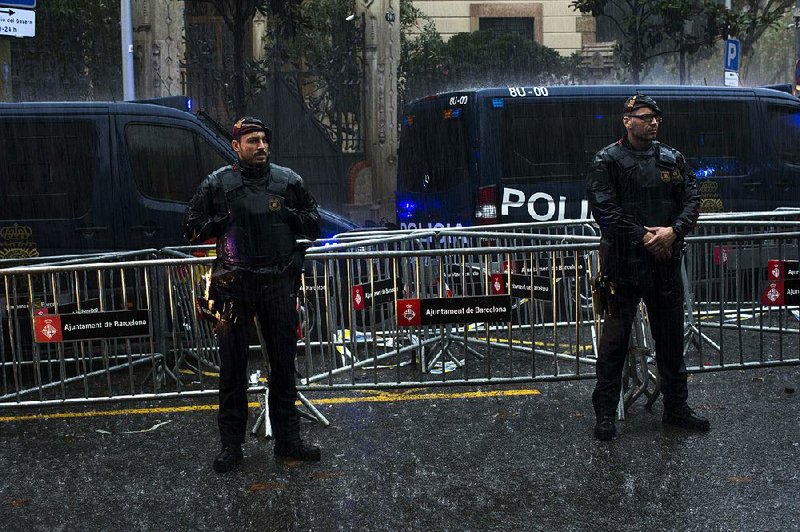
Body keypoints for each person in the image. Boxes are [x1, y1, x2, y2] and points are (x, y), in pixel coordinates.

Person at [184, 116, 322, 472]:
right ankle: (231, 446)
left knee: (284, 369)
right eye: (253, 141)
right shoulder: (217, 183)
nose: (261, 147)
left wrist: (290, 217)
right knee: (232, 371)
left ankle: (288, 441)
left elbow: (313, 222)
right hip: (234, 288)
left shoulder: (288, 181)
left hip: (277, 285)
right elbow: (191, 227)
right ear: (236, 146)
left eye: (263, 140)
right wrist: (221, 221)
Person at [586, 94, 710, 441]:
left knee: (671, 340)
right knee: (614, 344)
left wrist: (673, 232)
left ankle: (677, 408)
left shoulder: (672, 158)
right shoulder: (606, 161)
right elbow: (604, 210)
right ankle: (606, 414)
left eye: (657, 117)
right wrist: (644, 237)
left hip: (665, 264)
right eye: (645, 117)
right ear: (627, 120)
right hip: (624, 264)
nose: (653, 122)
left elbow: (692, 201)